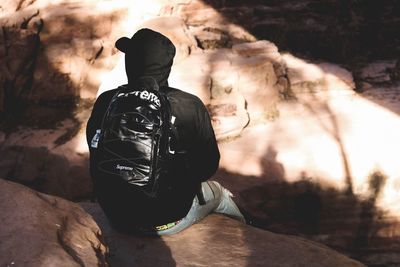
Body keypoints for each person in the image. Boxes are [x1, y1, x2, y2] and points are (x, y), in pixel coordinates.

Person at [86, 28, 245, 235]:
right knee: (220, 194)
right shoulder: (189, 105)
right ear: (166, 66)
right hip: (169, 218)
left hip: (117, 216)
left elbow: (94, 152)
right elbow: (207, 167)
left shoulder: (106, 101)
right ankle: (247, 237)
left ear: (131, 63)